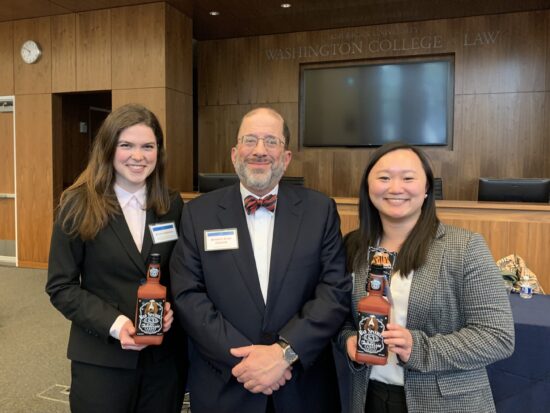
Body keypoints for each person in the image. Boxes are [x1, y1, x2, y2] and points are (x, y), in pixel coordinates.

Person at [170, 107, 351, 413]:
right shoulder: (197, 214)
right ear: (234, 153)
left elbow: (333, 290)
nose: (259, 151)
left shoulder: (320, 211)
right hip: (226, 383)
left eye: (271, 141)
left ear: (287, 156)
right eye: (250, 140)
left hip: (301, 385)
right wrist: (247, 361)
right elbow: (188, 295)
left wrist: (284, 353)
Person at [338, 142, 515, 413]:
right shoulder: (353, 246)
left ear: (427, 188)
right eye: (384, 177)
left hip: (447, 403)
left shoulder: (464, 247)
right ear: (368, 187)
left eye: (408, 178)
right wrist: (349, 339)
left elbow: (497, 337)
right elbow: (342, 320)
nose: (395, 188)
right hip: (369, 397)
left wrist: (418, 348)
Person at [46, 103, 187, 413]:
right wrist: (116, 323)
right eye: (127, 145)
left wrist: (170, 310)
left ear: (158, 152)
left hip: (162, 362)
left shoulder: (172, 205)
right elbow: (61, 287)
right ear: (109, 148)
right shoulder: (77, 205)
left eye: (147, 146)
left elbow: (181, 274)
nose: (138, 156)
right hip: (101, 359)